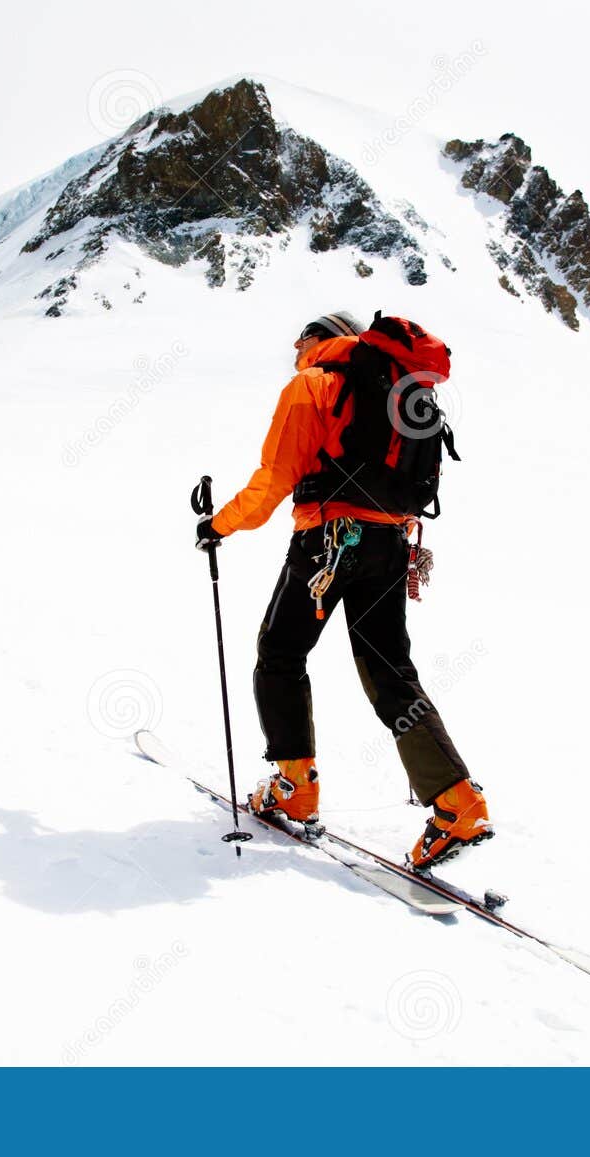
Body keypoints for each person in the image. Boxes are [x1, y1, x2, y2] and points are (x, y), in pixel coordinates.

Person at [194, 310, 492, 870]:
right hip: (390, 543)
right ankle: (458, 803)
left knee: (279, 655)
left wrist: (218, 527)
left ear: (317, 341)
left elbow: (275, 478)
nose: (295, 353)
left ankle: (295, 786)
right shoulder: (399, 393)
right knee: (390, 673)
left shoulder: (315, 383)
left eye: (299, 343)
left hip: (328, 540)